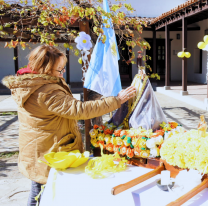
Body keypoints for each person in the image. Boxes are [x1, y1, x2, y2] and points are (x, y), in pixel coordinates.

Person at [2, 45, 136, 206]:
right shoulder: (45, 92)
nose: (63, 72)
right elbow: (79, 110)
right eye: (59, 69)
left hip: (39, 147)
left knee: (39, 186)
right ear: (45, 69)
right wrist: (116, 100)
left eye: (63, 68)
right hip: (48, 151)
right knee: (42, 192)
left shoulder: (31, 82)